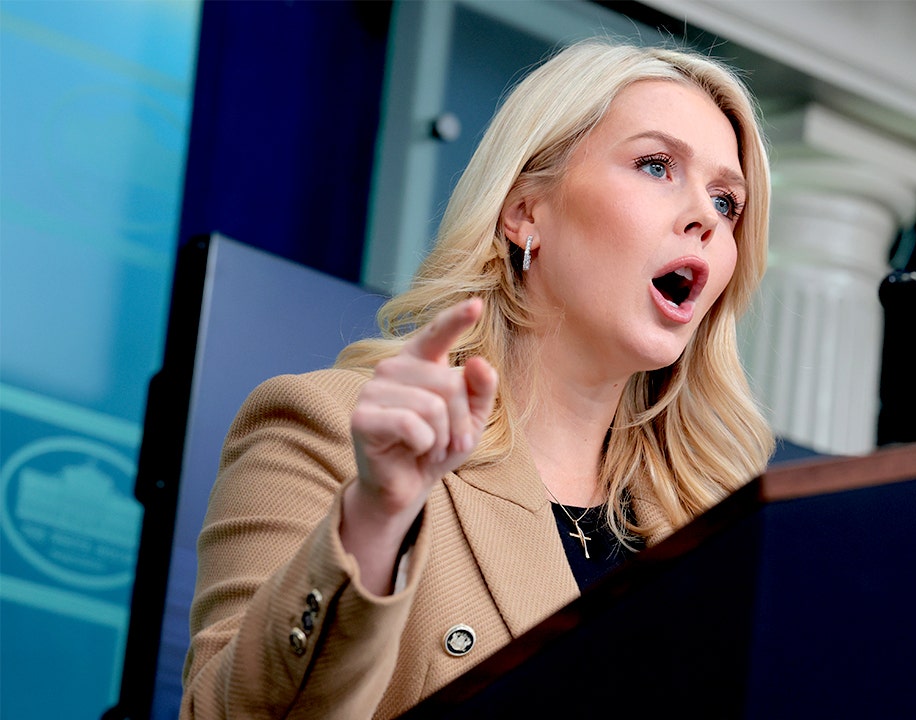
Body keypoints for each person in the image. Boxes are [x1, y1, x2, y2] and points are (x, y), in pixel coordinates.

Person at [181, 39, 775, 719]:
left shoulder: (719, 525)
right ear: (525, 211)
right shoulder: (331, 431)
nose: (705, 219)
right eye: (656, 166)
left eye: (726, 202)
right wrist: (374, 521)